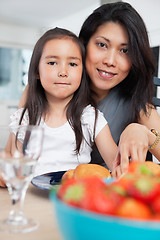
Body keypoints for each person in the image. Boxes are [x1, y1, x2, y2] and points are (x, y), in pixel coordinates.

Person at [17, 2, 160, 176]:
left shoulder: (140, 109)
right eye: (102, 45)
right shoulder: (41, 90)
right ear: (83, 44)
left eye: (125, 51)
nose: (110, 60)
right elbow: (15, 152)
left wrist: (144, 133)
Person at [7, 27, 118, 178]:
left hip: (74, 198)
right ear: (37, 72)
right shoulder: (25, 118)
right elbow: (10, 164)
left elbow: (118, 167)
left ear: (82, 72)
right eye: (52, 63)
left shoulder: (90, 118)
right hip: (32, 199)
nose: (63, 72)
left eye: (72, 64)